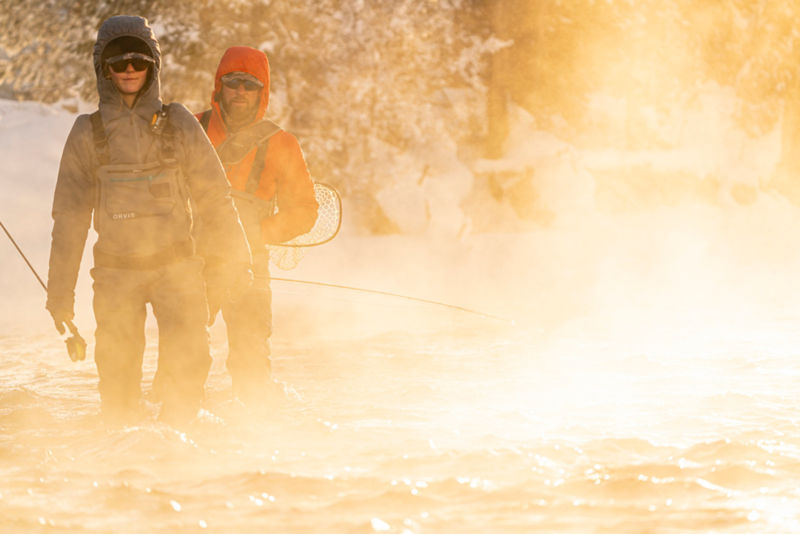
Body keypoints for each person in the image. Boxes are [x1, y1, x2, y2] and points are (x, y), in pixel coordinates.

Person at [45, 16, 253, 425]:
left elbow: (215, 198)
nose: (128, 71)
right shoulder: (87, 132)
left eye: (138, 62)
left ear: (152, 67)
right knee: (118, 394)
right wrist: (59, 298)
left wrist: (237, 259)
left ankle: (179, 468)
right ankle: (126, 472)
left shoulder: (178, 123)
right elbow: (68, 219)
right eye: (117, 62)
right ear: (103, 68)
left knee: (187, 380)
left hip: (178, 270)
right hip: (115, 275)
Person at [195, 46, 318, 406]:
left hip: (249, 265)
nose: (240, 93)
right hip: (191, 261)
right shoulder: (190, 127)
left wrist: (257, 237)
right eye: (233, 83)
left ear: (262, 92)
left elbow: (305, 211)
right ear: (219, 86)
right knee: (182, 358)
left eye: (250, 86)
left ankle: (254, 438)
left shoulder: (282, 144)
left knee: (251, 364)